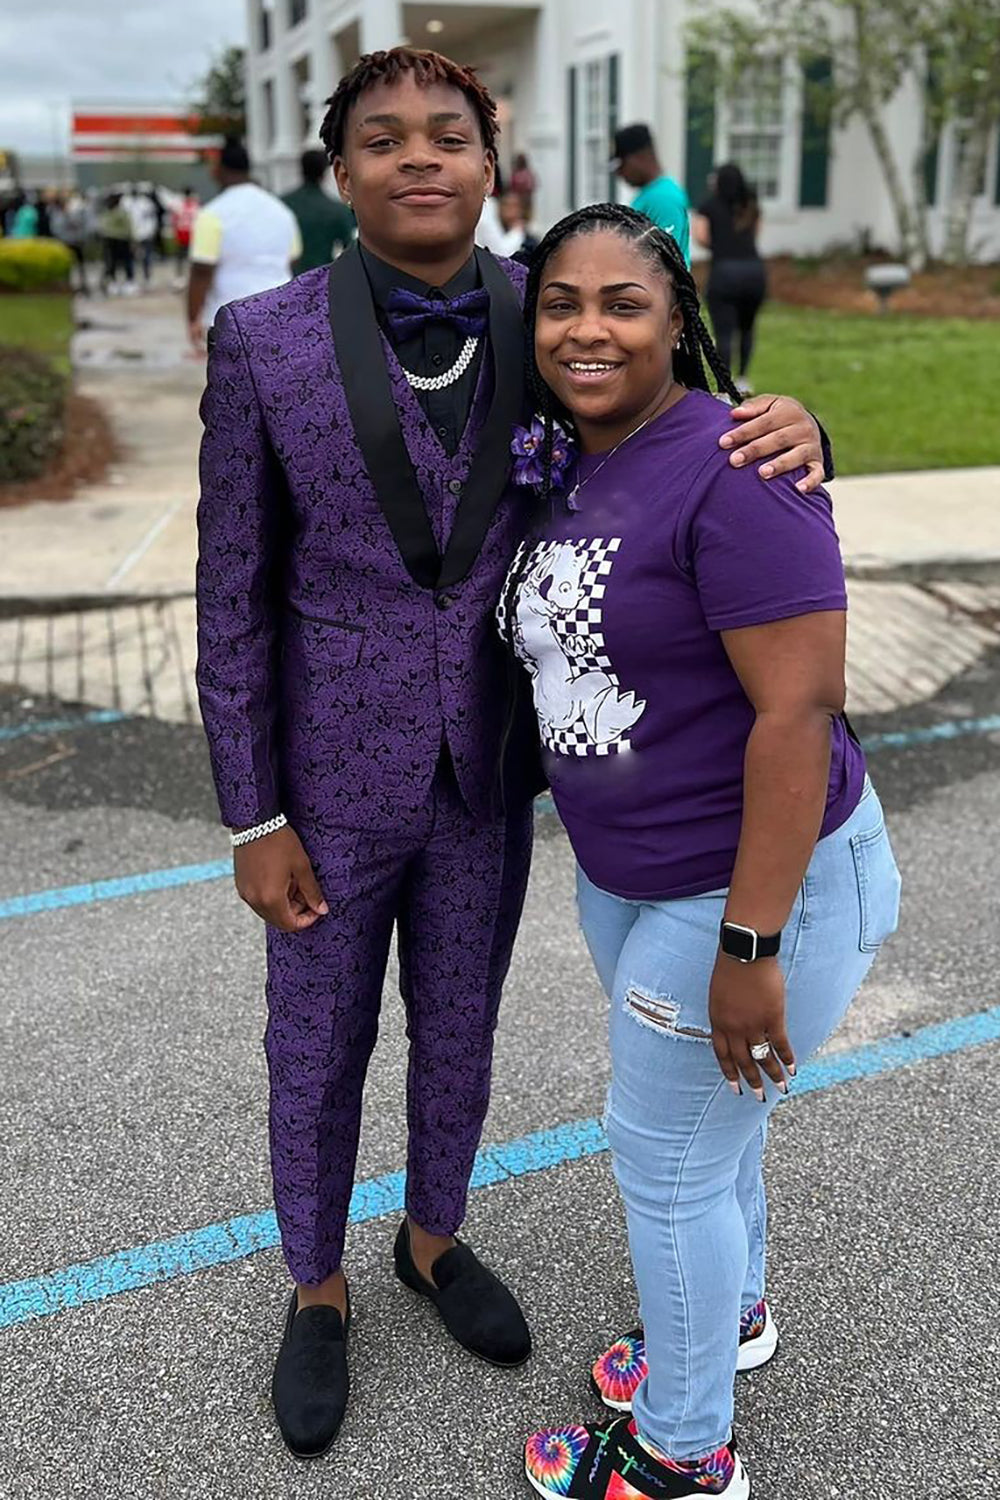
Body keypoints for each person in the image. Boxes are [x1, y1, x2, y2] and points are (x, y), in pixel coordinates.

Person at [196, 44, 831, 1467]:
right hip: (327, 788)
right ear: (339, 169)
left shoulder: (548, 316)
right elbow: (230, 593)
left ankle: (433, 1235)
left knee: (461, 1027)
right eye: (382, 137)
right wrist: (252, 813)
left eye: (449, 133)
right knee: (315, 1042)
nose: (418, 156)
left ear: (492, 161)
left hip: (490, 773)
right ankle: (317, 1284)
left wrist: (799, 427)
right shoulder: (262, 342)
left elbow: (678, 427)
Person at [499, 203, 901, 1500]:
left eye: (624, 302)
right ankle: (729, 1320)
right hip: (626, 875)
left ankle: (683, 1455)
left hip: (751, 889)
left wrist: (748, 943)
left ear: (678, 319)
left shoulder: (735, 465)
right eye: (561, 303)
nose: (590, 328)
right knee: (712, 1142)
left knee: (664, 1166)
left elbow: (798, 714)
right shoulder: (563, 458)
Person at [186, 139, 300, 352]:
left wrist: (193, 318)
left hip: (230, 319)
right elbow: (292, 258)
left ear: (218, 170)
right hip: (280, 315)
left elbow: (201, 270)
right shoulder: (282, 212)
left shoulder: (212, 214)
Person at [694, 164, 767, 393]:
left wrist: (719, 244)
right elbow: (757, 233)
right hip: (754, 271)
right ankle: (743, 377)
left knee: (724, 333)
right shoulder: (750, 205)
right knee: (747, 327)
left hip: (724, 272)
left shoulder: (709, 205)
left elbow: (701, 236)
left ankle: (725, 387)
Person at [611, 123, 690, 265]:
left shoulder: (662, 198)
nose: (619, 173)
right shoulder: (650, 195)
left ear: (641, 157)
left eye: (622, 165)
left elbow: (665, 262)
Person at [283, 147, 355, 273]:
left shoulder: (283, 204)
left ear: (301, 170)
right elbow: (350, 250)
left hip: (288, 276)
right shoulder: (337, 210)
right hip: (321, 276)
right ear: (324, 172)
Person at [50, 190, 94, 295]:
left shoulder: (75, 211)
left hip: (77, 242)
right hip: (66, 242)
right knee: (67, 266)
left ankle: (83, 285)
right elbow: (57, 229)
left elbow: (82, 225)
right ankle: (67, 286)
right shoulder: (57, 215)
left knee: (81, 265)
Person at [97, 192, 135, 295]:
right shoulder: (106, 212)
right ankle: (113, 282)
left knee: (127, 262)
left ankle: (129, 282)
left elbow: (128, 227)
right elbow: (103, 226)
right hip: (110, 241)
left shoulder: (121, 212)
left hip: (122, 240)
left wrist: (132, 241)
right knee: (111, 263)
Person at [496, 187, 538, 265]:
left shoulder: (530, 242)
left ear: (522, 210)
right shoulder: (494, 236)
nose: (509, 210)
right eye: (505, 205)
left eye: (514, 206)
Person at [170, 185, 200, 289]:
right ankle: (184, 277)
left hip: (184, 233)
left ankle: (181, 277)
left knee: (182, 258)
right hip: (189, 234)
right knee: (187, 258)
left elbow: (174, 220)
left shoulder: (179, 205)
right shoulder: (195, 205)